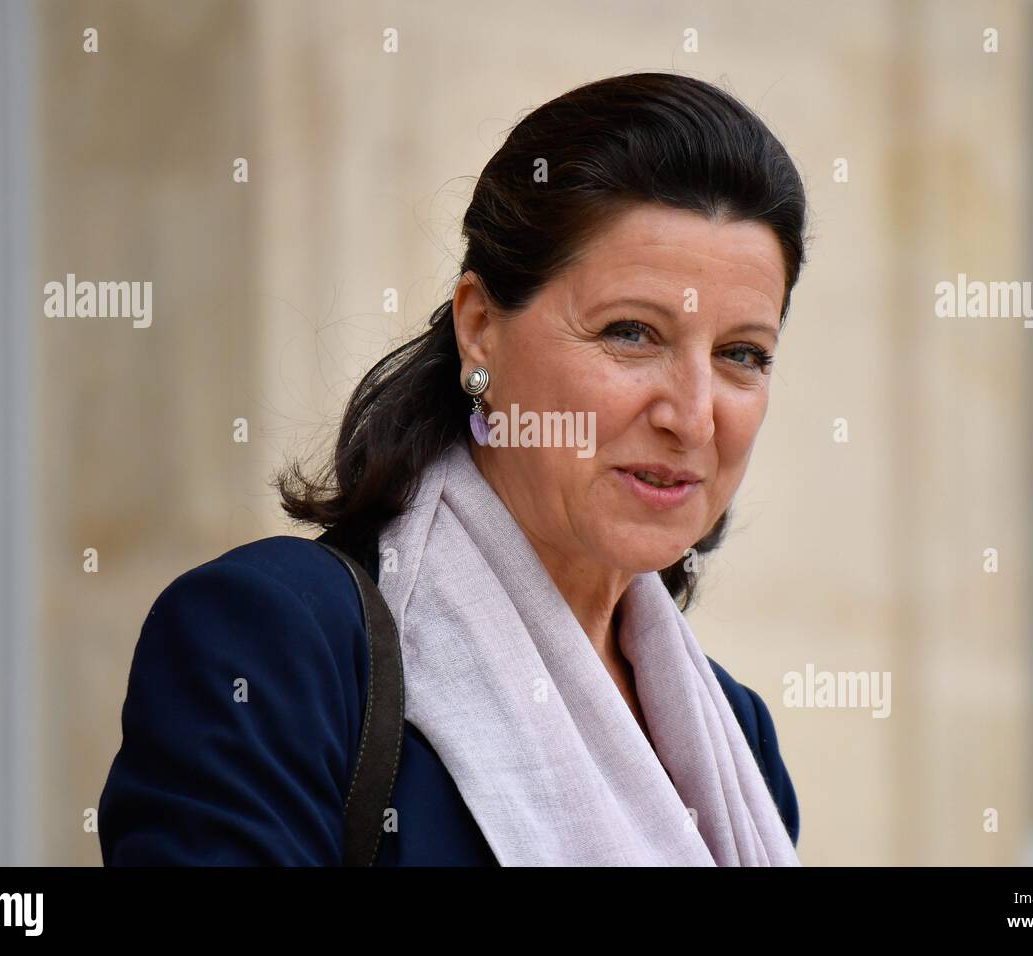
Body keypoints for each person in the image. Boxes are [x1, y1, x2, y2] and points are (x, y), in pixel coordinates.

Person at [99, 70, 808, 866]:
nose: (692, 413)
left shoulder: (734, 738)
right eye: (631, 333)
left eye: (742, 354)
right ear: (479, 330)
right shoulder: (279, 645)